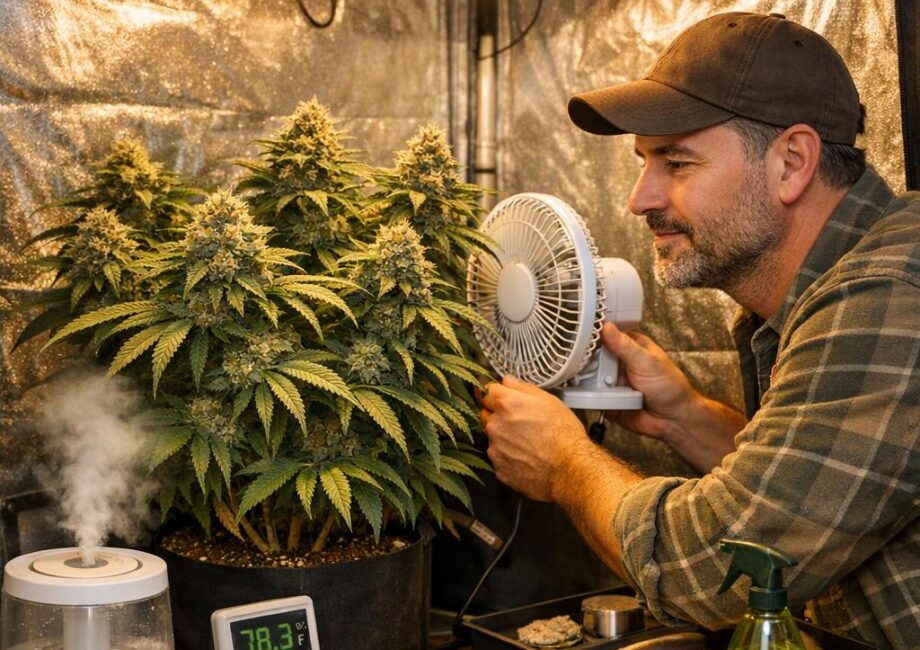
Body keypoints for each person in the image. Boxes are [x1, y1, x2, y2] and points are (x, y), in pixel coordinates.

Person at [478, 12, 919, 650]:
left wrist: (566, 463)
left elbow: (721, 569)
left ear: (792, 162)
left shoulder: (889, 296)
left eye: (677, 163)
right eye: (643, 162)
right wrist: (684, 418)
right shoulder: (818, 296)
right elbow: (805, 496)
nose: (640, 198)